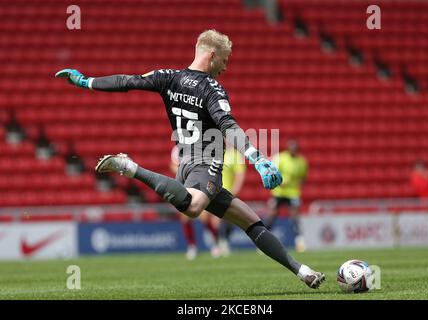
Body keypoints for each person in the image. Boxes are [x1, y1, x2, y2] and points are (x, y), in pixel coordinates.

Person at [55, 29, 325, 289]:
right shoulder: (212, 89)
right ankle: (130, 167)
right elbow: (228, 125)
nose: (225, 67)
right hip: (205, 165)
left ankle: (303, 272)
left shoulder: (168, 77)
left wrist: (86, 82)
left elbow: (128, 81)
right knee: (194, 207)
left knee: (251, 221)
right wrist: (257, 158)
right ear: (211, 55)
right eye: (224, 60)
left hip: (185, 167)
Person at [169, 145, 221, 260]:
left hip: (198, 184)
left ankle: (215, 244)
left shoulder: (199, 145)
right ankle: (192, 246)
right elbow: (173, 165)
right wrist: (184, 172)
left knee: (204, 217)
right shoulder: (177, 149)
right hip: (184, 186)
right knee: (184, 217)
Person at [267, 139, 308, 252]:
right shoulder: (280, 158)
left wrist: (297, 184)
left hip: (293, 193)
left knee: (295, 217)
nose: (293, 151)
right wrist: (280, 181)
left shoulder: (302, 162)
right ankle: (264, 241)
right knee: (272, 216)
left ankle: (300, 242)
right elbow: (272, 172)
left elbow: (303, 177)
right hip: (279, 192)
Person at [217, 143, 247, 256]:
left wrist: (234, 191)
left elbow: (240, 175)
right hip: (212, 191)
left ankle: (223, 241)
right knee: (217, 219)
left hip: (227, 192)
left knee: (228, 219)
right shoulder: (214, 151)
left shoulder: (235, 155)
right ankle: (220, 243)